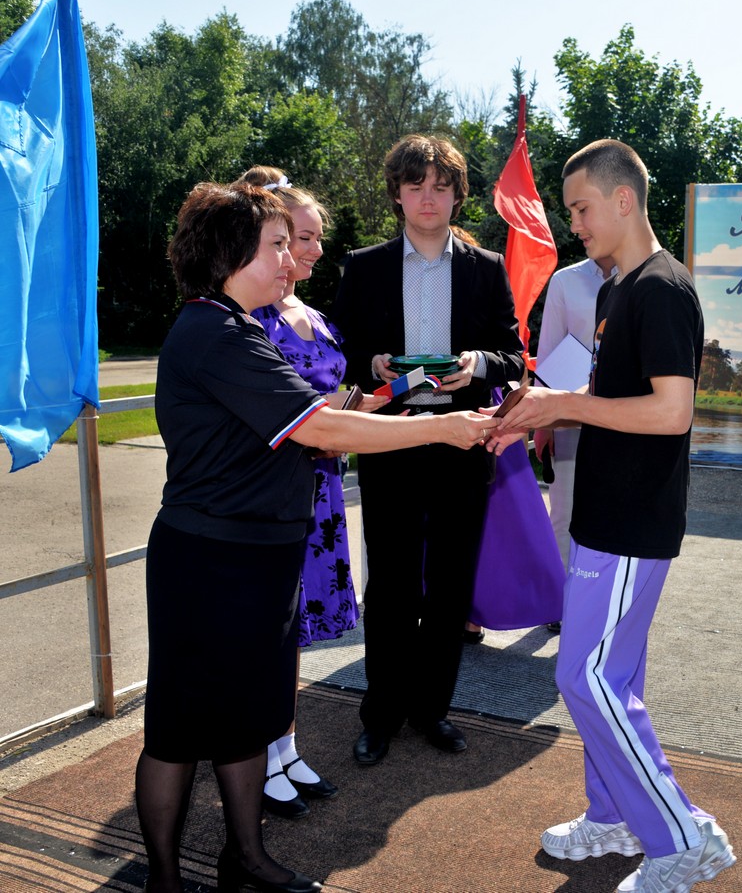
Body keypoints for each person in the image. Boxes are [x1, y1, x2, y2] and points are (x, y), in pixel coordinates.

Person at [137, 181, 495, 893]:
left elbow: (320, 417)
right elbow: (322, 429)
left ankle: (246, 857)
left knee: (249, 718)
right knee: (179, 731)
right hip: (209, 563)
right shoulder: (213, 333)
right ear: (230, 252)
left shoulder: (239, 328)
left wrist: (389, 401)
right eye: (276, 246)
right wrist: (444, 427)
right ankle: (165, 881)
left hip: (259, 556)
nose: (291, 260)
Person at [488, 140, 736, 893]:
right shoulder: (613, 290)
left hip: (632, 522)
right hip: (601, 515)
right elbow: (609, 399)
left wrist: (565, 403)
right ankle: (614, 815)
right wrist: (542, 408)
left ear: (624, 200)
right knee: (611, 680)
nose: (575, 224)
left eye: (582, 208)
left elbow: (671, 412)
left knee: (584, 677)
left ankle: (681, 836)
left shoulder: (662, 289)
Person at [331, 134, 525, 764]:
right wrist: (373, 364)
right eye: (416, 186)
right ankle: (381, 714)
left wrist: (478, 364)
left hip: (460, 443)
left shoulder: (485, 268)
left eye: (441, 187)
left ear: (458, 196)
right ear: (397, 193)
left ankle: (432, 710)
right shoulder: (364, 266)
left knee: (449, 586)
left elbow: (514, 357)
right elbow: (340, 356)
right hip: (389, 442)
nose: (428, 198)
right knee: (390, 586)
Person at [235, 166, 360, 819]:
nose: (310, 250)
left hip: (323, 492)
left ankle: (283, 747)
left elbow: (332, 399)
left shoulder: (313, 316)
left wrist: (369, 401)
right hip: (276, 491)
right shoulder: (248, 318)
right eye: (298, 238)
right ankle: (257, 753)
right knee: (267, 632)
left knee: (291, 635)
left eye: (314, 238)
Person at [533, 255, 616, 633]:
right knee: (564, 512)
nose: (580, 228)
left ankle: (602, 603)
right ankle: (561, 602)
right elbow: (549, 349)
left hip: (623, 418)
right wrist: (543, 421)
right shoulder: (565, 280)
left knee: (612, 513)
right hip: (568, 416)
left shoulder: (641, 275)